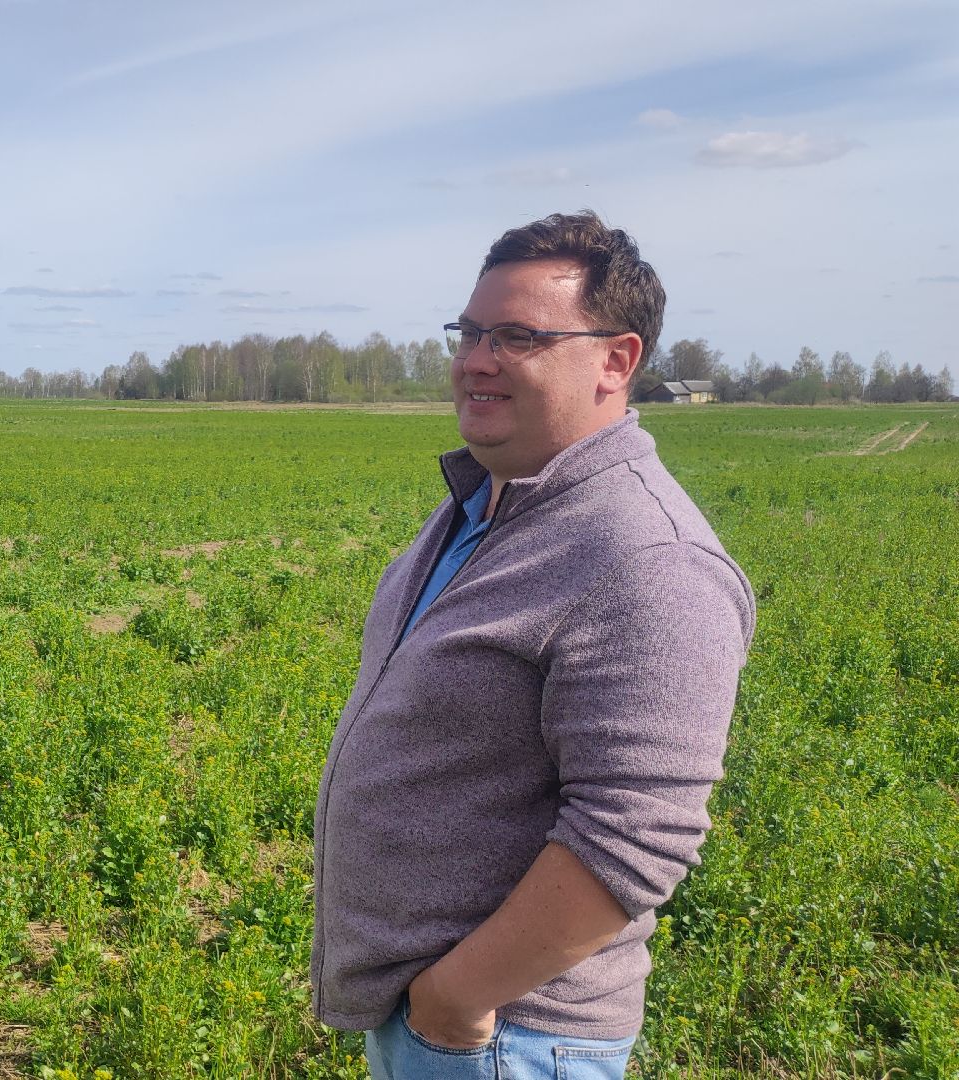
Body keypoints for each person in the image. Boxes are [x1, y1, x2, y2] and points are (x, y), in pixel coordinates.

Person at [309, 211, 754, 1079]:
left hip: (504, 1037)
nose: (476, 359)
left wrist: (460, 995)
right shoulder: (488, 503)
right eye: (471, 331)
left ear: (616, 362)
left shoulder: (647, 558)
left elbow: (635, 837)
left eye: (517, 336)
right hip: (435, 1019)